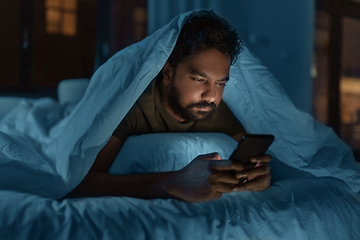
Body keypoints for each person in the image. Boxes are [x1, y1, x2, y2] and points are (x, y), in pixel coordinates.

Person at [68, 11, 271, 202]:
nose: (212, 96)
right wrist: (175, 183)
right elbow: (80, 184)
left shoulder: (215, 109)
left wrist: (257, 174)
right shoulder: (132, 106)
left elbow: (250, 159)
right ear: (168, 74)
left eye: (220, 83)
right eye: (200, 79)